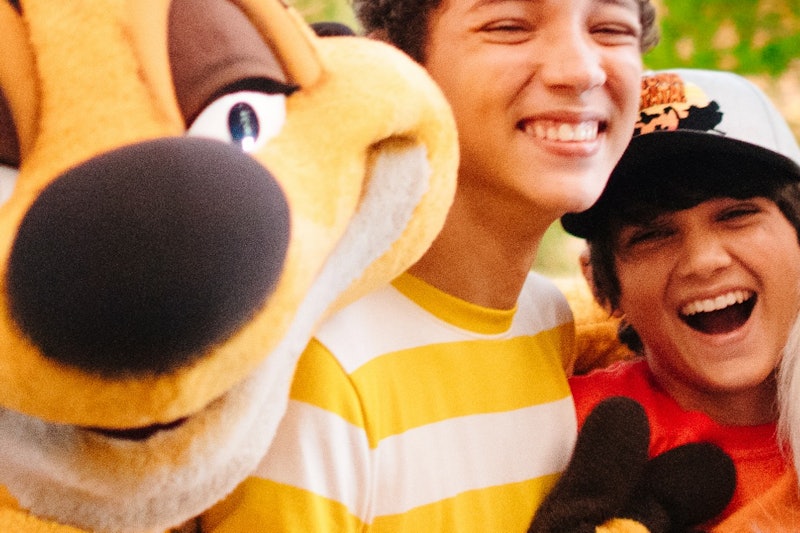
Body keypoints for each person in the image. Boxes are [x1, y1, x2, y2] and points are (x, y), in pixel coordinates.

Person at [201, 1, 658, 531]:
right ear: (398, 64)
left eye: (610, 29)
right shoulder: (314, 367)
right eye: (509, 27)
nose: (580, 70)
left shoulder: (547, 322)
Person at [562, 68, 800, 528]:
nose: (703, 261)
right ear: (601, 285)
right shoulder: (558, 429)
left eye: (736, 214)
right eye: (652, 235)